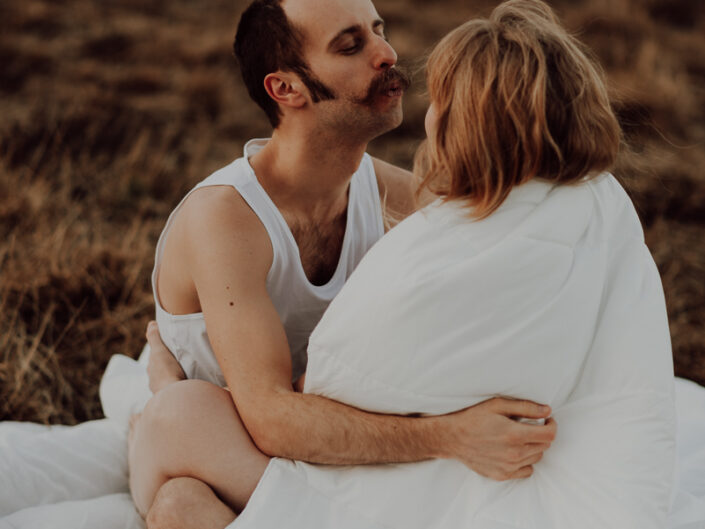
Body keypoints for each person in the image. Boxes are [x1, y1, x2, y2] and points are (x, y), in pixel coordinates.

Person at [127, 0, 559, 525]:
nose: (387, 54)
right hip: (221, 450)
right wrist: (450, 436)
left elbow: (506, 248)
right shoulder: (225, 219)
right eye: (351, 46)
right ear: (287, 89)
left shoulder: (389, 194)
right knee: (181, 489)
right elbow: (271, 422)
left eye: (380, 32)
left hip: (331, 456)